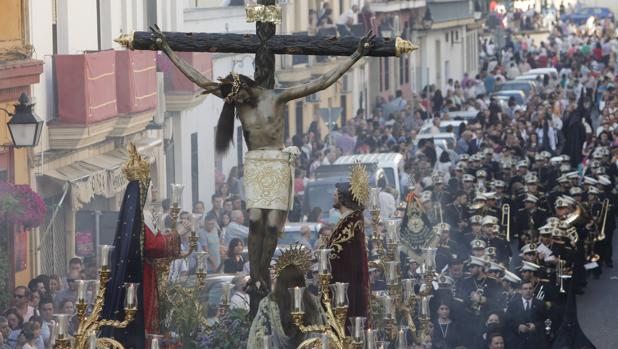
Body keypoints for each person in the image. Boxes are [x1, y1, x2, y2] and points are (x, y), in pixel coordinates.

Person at [248, 247, 324, 349]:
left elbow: (259, 337)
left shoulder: (268, 304)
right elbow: (323, 333)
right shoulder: (313, 302)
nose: (294, 287)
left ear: (280, 282)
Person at [327, 164, 370, 319]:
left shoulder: (349, 222)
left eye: (336, 194)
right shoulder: (349, 220)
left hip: (346, 287)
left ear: (343, 198)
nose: (333, 196)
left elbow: (335, 254)